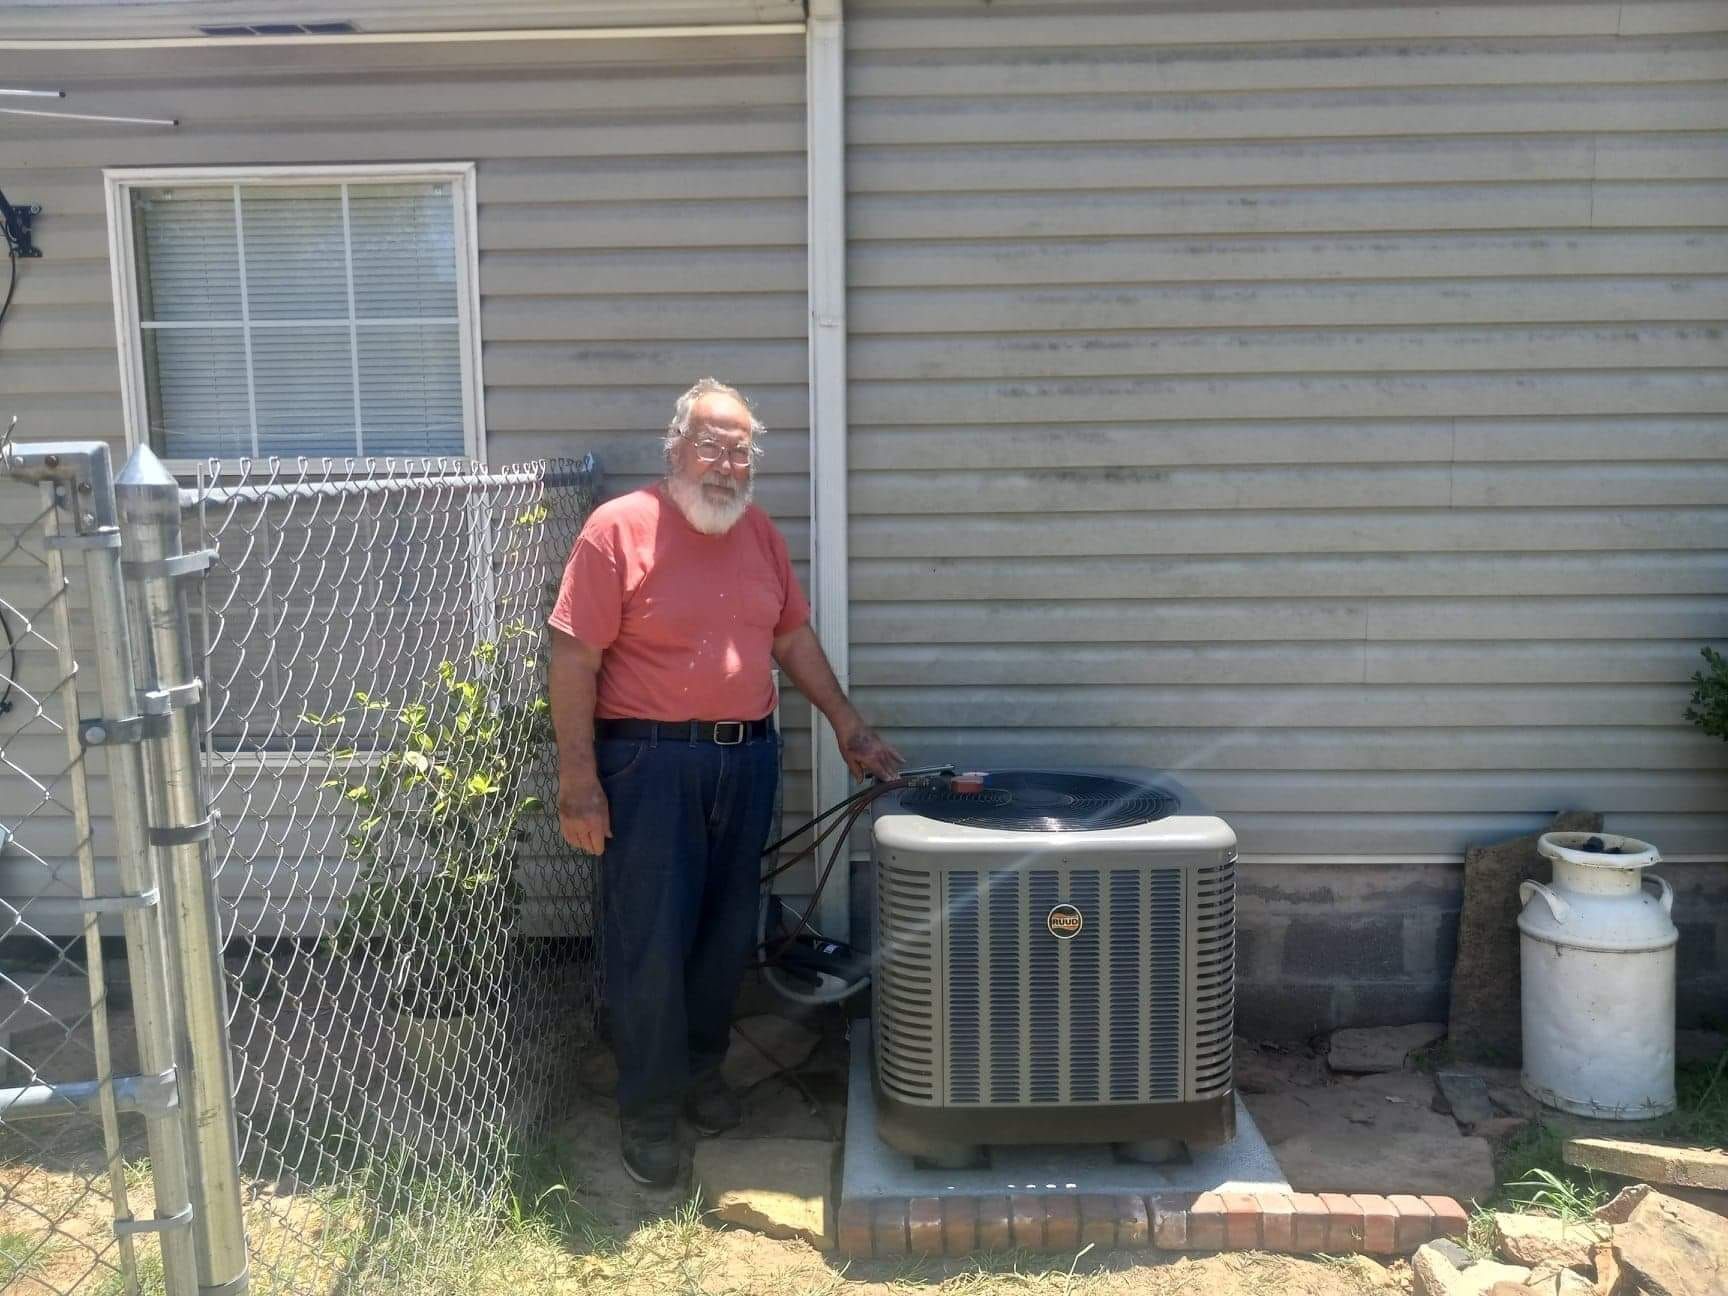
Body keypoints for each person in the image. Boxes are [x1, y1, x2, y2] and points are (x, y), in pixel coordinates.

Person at [549, 377, 903, 1186]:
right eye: (711, 445)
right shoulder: (619, 529)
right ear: (676, 448)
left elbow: (793, 638)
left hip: (746, 760)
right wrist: (579, 780)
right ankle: (647, 1109)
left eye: (741, 451)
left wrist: (848, 724)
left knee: (721, 937)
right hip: (646, 766)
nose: (727, 465)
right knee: (650, 941)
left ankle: (702, 1074)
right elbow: (573, 655)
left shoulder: (759, 536)